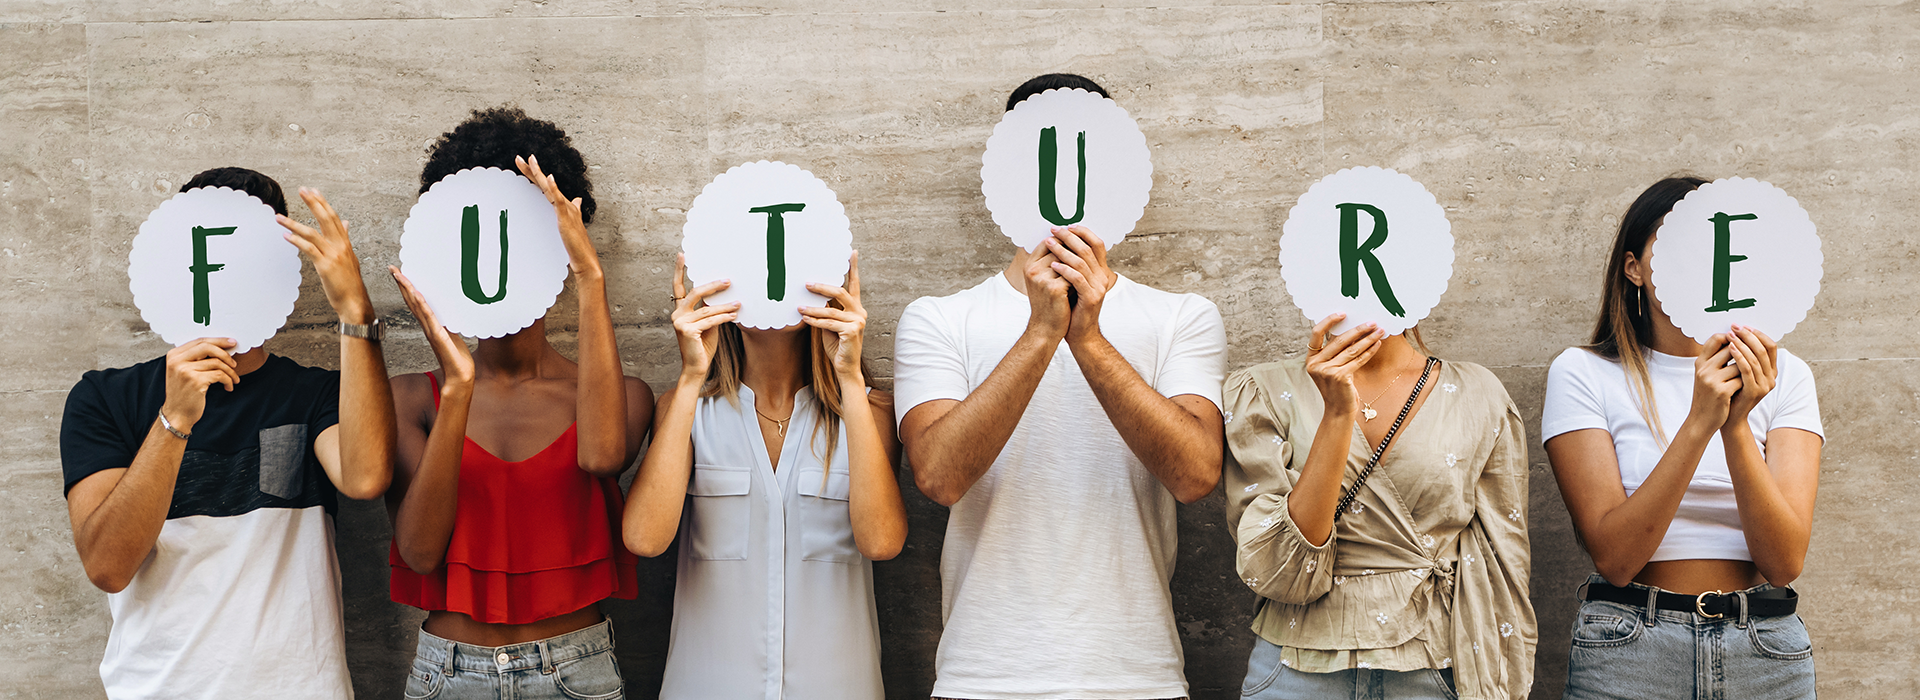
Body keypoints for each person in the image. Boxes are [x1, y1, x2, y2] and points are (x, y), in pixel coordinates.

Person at [893, 74, 1228, 700]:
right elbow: (937, 477)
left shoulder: (1183, 316)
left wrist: (1089, 339)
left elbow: (1195, 475)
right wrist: (1042, 332)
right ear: (1008, 177)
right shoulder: (938, 318)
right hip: (983, 676)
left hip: (1137, 678)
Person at [60, 167, 396, 699]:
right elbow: (107, 566)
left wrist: (356, 311)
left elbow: (365, 477)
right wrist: (174, 421)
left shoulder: (312, 394)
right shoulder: (106, 397)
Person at [385, 107, 653, 700]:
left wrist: (590, 278)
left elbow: (603, 457)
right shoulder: (412, 398)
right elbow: (420, 553)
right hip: (448, 675)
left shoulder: (623, 396)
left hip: (576, 672)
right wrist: (457, 390)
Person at [1544, 177, 1822, 700]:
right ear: (1634, 269)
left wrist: (1736, 425)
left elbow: (1784, 562)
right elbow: (1616, 558)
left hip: (1763, 648)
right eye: (1675, 243)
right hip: (1630, 646)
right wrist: (1700, 423)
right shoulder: (1584, 373)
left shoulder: (1787, 377)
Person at [623, 251, 906, 699]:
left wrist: (848, 377)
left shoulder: (871, 412)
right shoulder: (688, 410)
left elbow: (882, 542)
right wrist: (692, 375)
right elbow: (643, 538)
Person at [1222, 316, 1535, 700]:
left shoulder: (1477, 393)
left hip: (1437, 666)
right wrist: (1336, 416)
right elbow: (1276, 568)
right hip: (1296, 668)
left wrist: (1504, 679)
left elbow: (1503, 557)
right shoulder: (1261, 389)